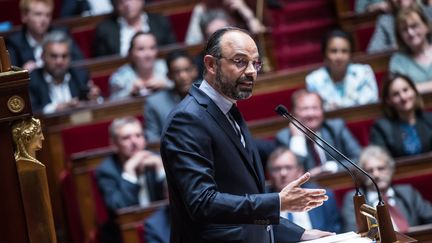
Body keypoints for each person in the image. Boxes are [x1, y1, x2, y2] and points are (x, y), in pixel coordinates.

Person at [160, 27, 333, 243]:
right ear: (211, 64)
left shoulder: (229, 110)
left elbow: (242, 195)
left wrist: (297, 233)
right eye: (240, 61)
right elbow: (202, 202)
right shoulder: (188, 119)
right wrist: (278, 202)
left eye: (255, 63)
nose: (251, 71)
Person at [341, 145, 432, 232]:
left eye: (381, 169)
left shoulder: (407, 192)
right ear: (362, 175)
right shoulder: (355, 200)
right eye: (370, 171)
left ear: (390, 169)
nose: (376, 175)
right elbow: (353, 231)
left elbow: (429, 218)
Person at [275, 89, 362, 176]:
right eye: (304, 109)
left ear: (322, 111)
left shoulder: (336, 128)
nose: (310, 114)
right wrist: (298, 139)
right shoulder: (283, 138)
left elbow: (360, 159)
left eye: (315, 108)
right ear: (294, 112)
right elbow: (292, 175)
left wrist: (330, 168)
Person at [267, 147, 342, 236]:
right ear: (270, 174)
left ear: (300, 171)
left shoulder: (321, 196)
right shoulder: (265, 203)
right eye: (277, 169)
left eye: (288, 167)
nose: (283, 173)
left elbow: (335, 230)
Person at [28, 30, 100, 114]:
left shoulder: (80, 75)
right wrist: (57, 108)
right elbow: (32, 113)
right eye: (54, 56)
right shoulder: (31, 81)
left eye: (64, 56)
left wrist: (94, 98)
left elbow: (95, 102)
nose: (59, 61)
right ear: (42, 56)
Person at [305, 29, 378, 111]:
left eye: (344, 51)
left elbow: (370, 104)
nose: (339, 57)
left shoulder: (365, 72)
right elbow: (315, 111)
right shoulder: (313, 80)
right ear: (324, 54)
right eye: (333, 51)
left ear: (351, 54)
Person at [6, 0, 84, 72]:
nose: (44, 20)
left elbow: (79, 64)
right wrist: (22, 72)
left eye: (48, 15)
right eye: (38, 14)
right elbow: (11, 76)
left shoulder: (62, 34)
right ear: (24, 16)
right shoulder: (14, 43)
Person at [369, 73, 432, 157]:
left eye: (405, 90)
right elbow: (379, 159)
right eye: (396, 94)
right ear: (388, 100)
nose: (403, 97)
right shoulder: (381, 128)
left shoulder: (429, 119)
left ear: (414, 91)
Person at [144, 50, 198, 143]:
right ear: (169, 76)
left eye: (187, 70)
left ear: (195, 71)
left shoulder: (208, 92)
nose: (183, 76)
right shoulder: (154, 103)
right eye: (177, 72)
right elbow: (153, 141)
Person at [92, 0, 176, 57]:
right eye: (122, 1)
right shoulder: (105, 29)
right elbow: (101, 64)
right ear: (116, 5)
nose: (127, 5)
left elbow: (173, 51)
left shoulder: (159, 21)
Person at [109, 31, 170, 101]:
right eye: (141, 49)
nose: (148, 54)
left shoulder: (167, 67)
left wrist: (166, 85)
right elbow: (112, 104)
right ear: (131, 53)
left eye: (152, 48)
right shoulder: (119, 78)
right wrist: (130, 92)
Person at [185, 0, 266, 45]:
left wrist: (244, 11)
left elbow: (259, 31)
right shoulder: (202, 9)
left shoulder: (240, 7)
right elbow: (192, 43)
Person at [389, 6, 432, 91]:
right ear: (400, 36)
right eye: (404, 30)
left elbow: (411, 90)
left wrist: (416, 88)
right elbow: (402, 93)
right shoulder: (398, 61)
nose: (410, 33)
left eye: (414, 26)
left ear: (426, 26)